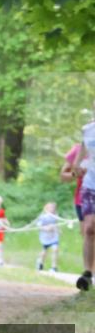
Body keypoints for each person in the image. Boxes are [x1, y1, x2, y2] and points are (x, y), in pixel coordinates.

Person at [72, 101, 95, 291]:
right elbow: (82, 152)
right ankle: (87, 273)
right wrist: (77, 166)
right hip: (90, 184)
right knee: (89, 228)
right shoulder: (87, 129)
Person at [35, 202, 60, 272]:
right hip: (45, 237)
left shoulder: (55, 216)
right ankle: (40, 263)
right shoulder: (43, 217)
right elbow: (38, 225)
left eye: (53, 208)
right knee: (44, 252)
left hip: (54, 236)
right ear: (46, 209)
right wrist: (46, 228)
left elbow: (56, 224)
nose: (52, 209)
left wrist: (58, 230)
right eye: (50, 208)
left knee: (55, 249)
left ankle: (54, 267)